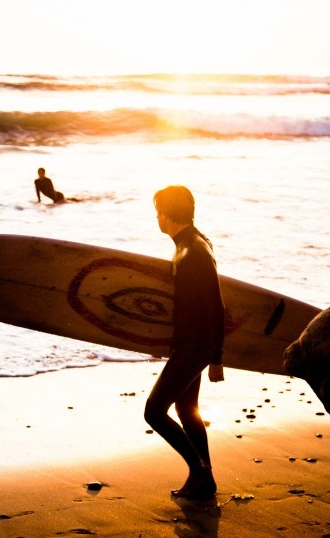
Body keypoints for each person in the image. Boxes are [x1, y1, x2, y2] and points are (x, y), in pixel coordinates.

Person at [146, 185, 226, 500]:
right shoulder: (189, 243)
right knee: (186, 407)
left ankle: (200, 471)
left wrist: (216, 358)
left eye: (156, 212)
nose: (155, 218)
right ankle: (205, 478)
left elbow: (216, 306)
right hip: (189, 344)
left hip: (196, 347)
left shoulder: (194, 251)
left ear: (166, 215)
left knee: (154, 411)